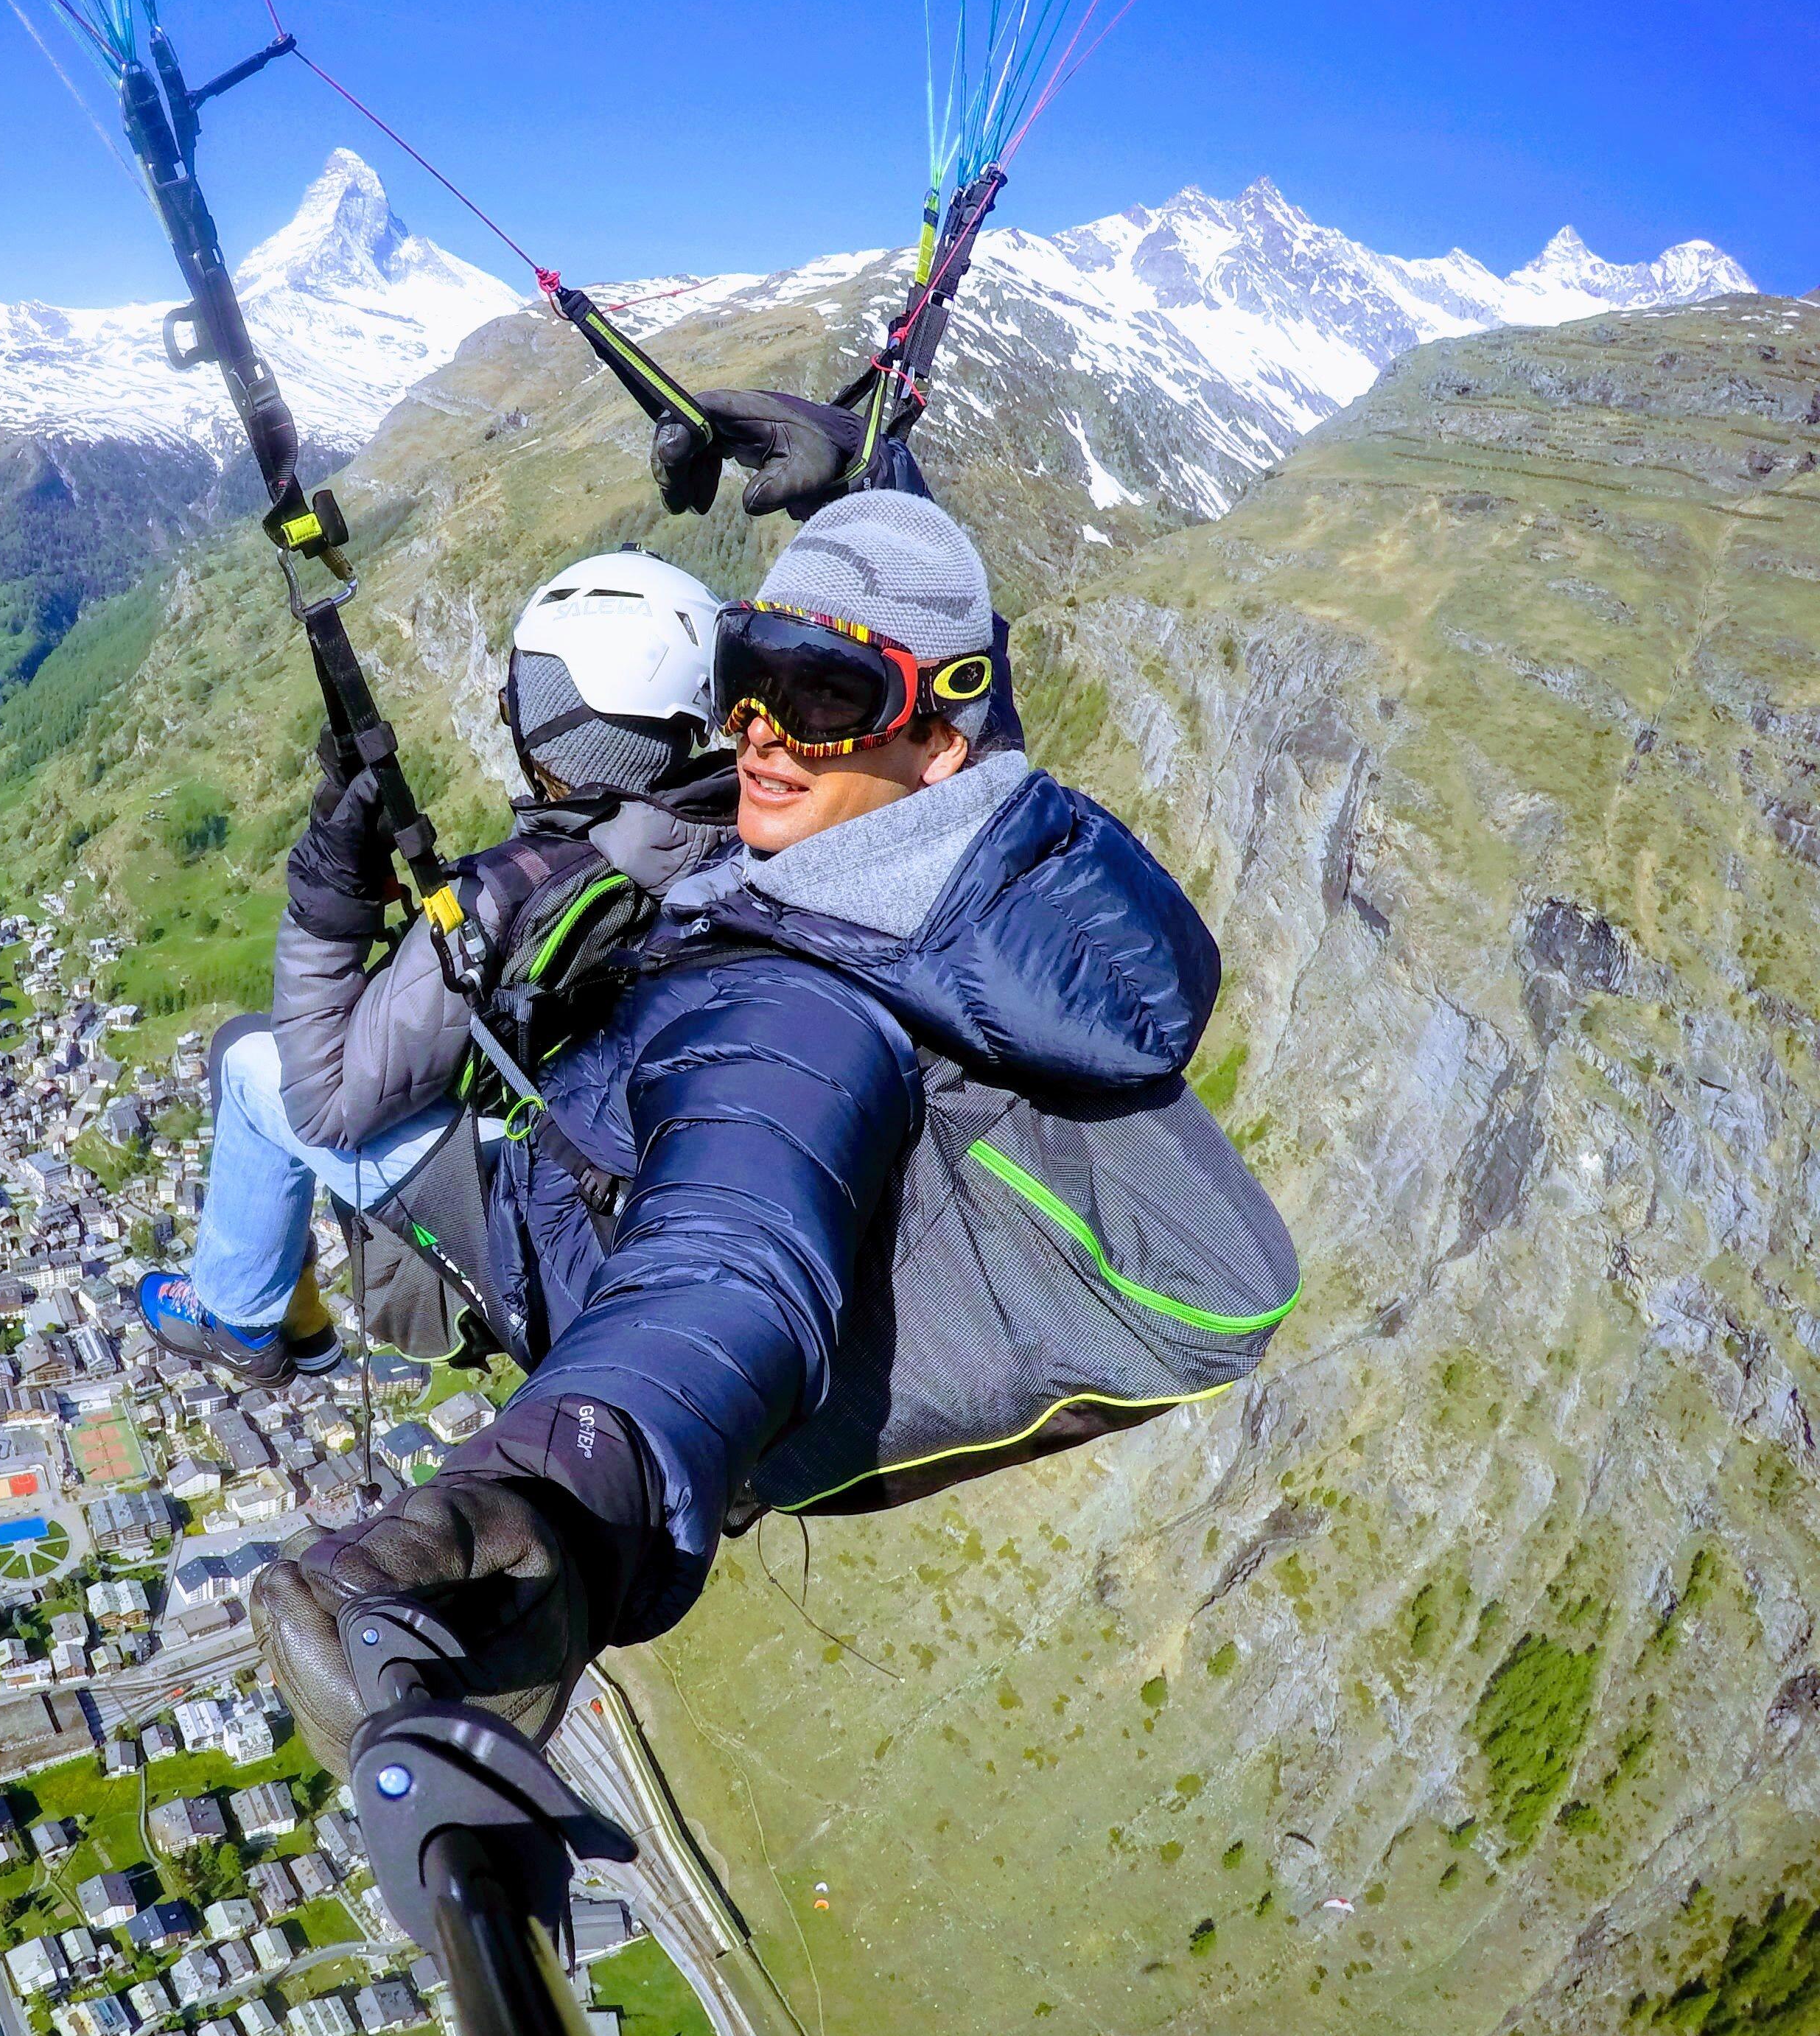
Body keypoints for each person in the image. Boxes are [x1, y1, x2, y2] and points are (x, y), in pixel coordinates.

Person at [255, 489, 1223, 1767]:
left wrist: (549, 1497)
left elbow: (727, 1262)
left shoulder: (797, 1003)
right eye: (747, 676)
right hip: (616, 1196)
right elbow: (930, 715)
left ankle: (251, 1319)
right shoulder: (950, 871)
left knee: (255, 1076)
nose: (760, 733)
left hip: (562, 1271)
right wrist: (864, 488)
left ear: (938, 739)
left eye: (823, 698)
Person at [134, 547, 737, 1385]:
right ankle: (280, 1307)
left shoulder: (507, 894)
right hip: (654, 1185)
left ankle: (241, 1315)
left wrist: (329, 892)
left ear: (554, 723)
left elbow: (325, 1107)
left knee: (245, 1059)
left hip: (534, 1216)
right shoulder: (740, 830)